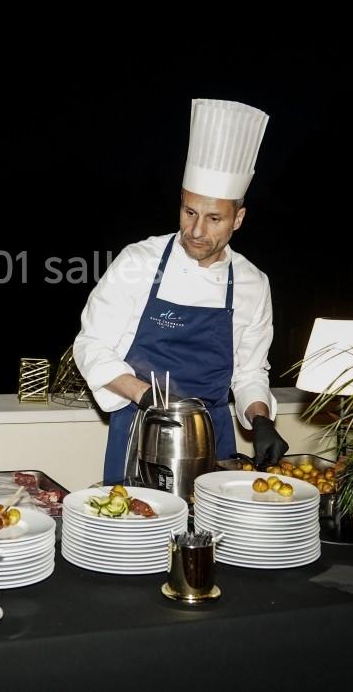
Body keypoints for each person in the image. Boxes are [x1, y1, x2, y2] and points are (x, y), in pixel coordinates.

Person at [73, 99, 288, 484]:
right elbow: (91, 345)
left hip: (214, 438)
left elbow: (249, 370)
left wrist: (260, 419)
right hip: (142, 432)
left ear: (238, 218)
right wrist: (147, 397)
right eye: (189, 212)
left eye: (214, 218)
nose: (196, 231)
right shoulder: (138, 260)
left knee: (215, 539)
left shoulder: (253, 283)